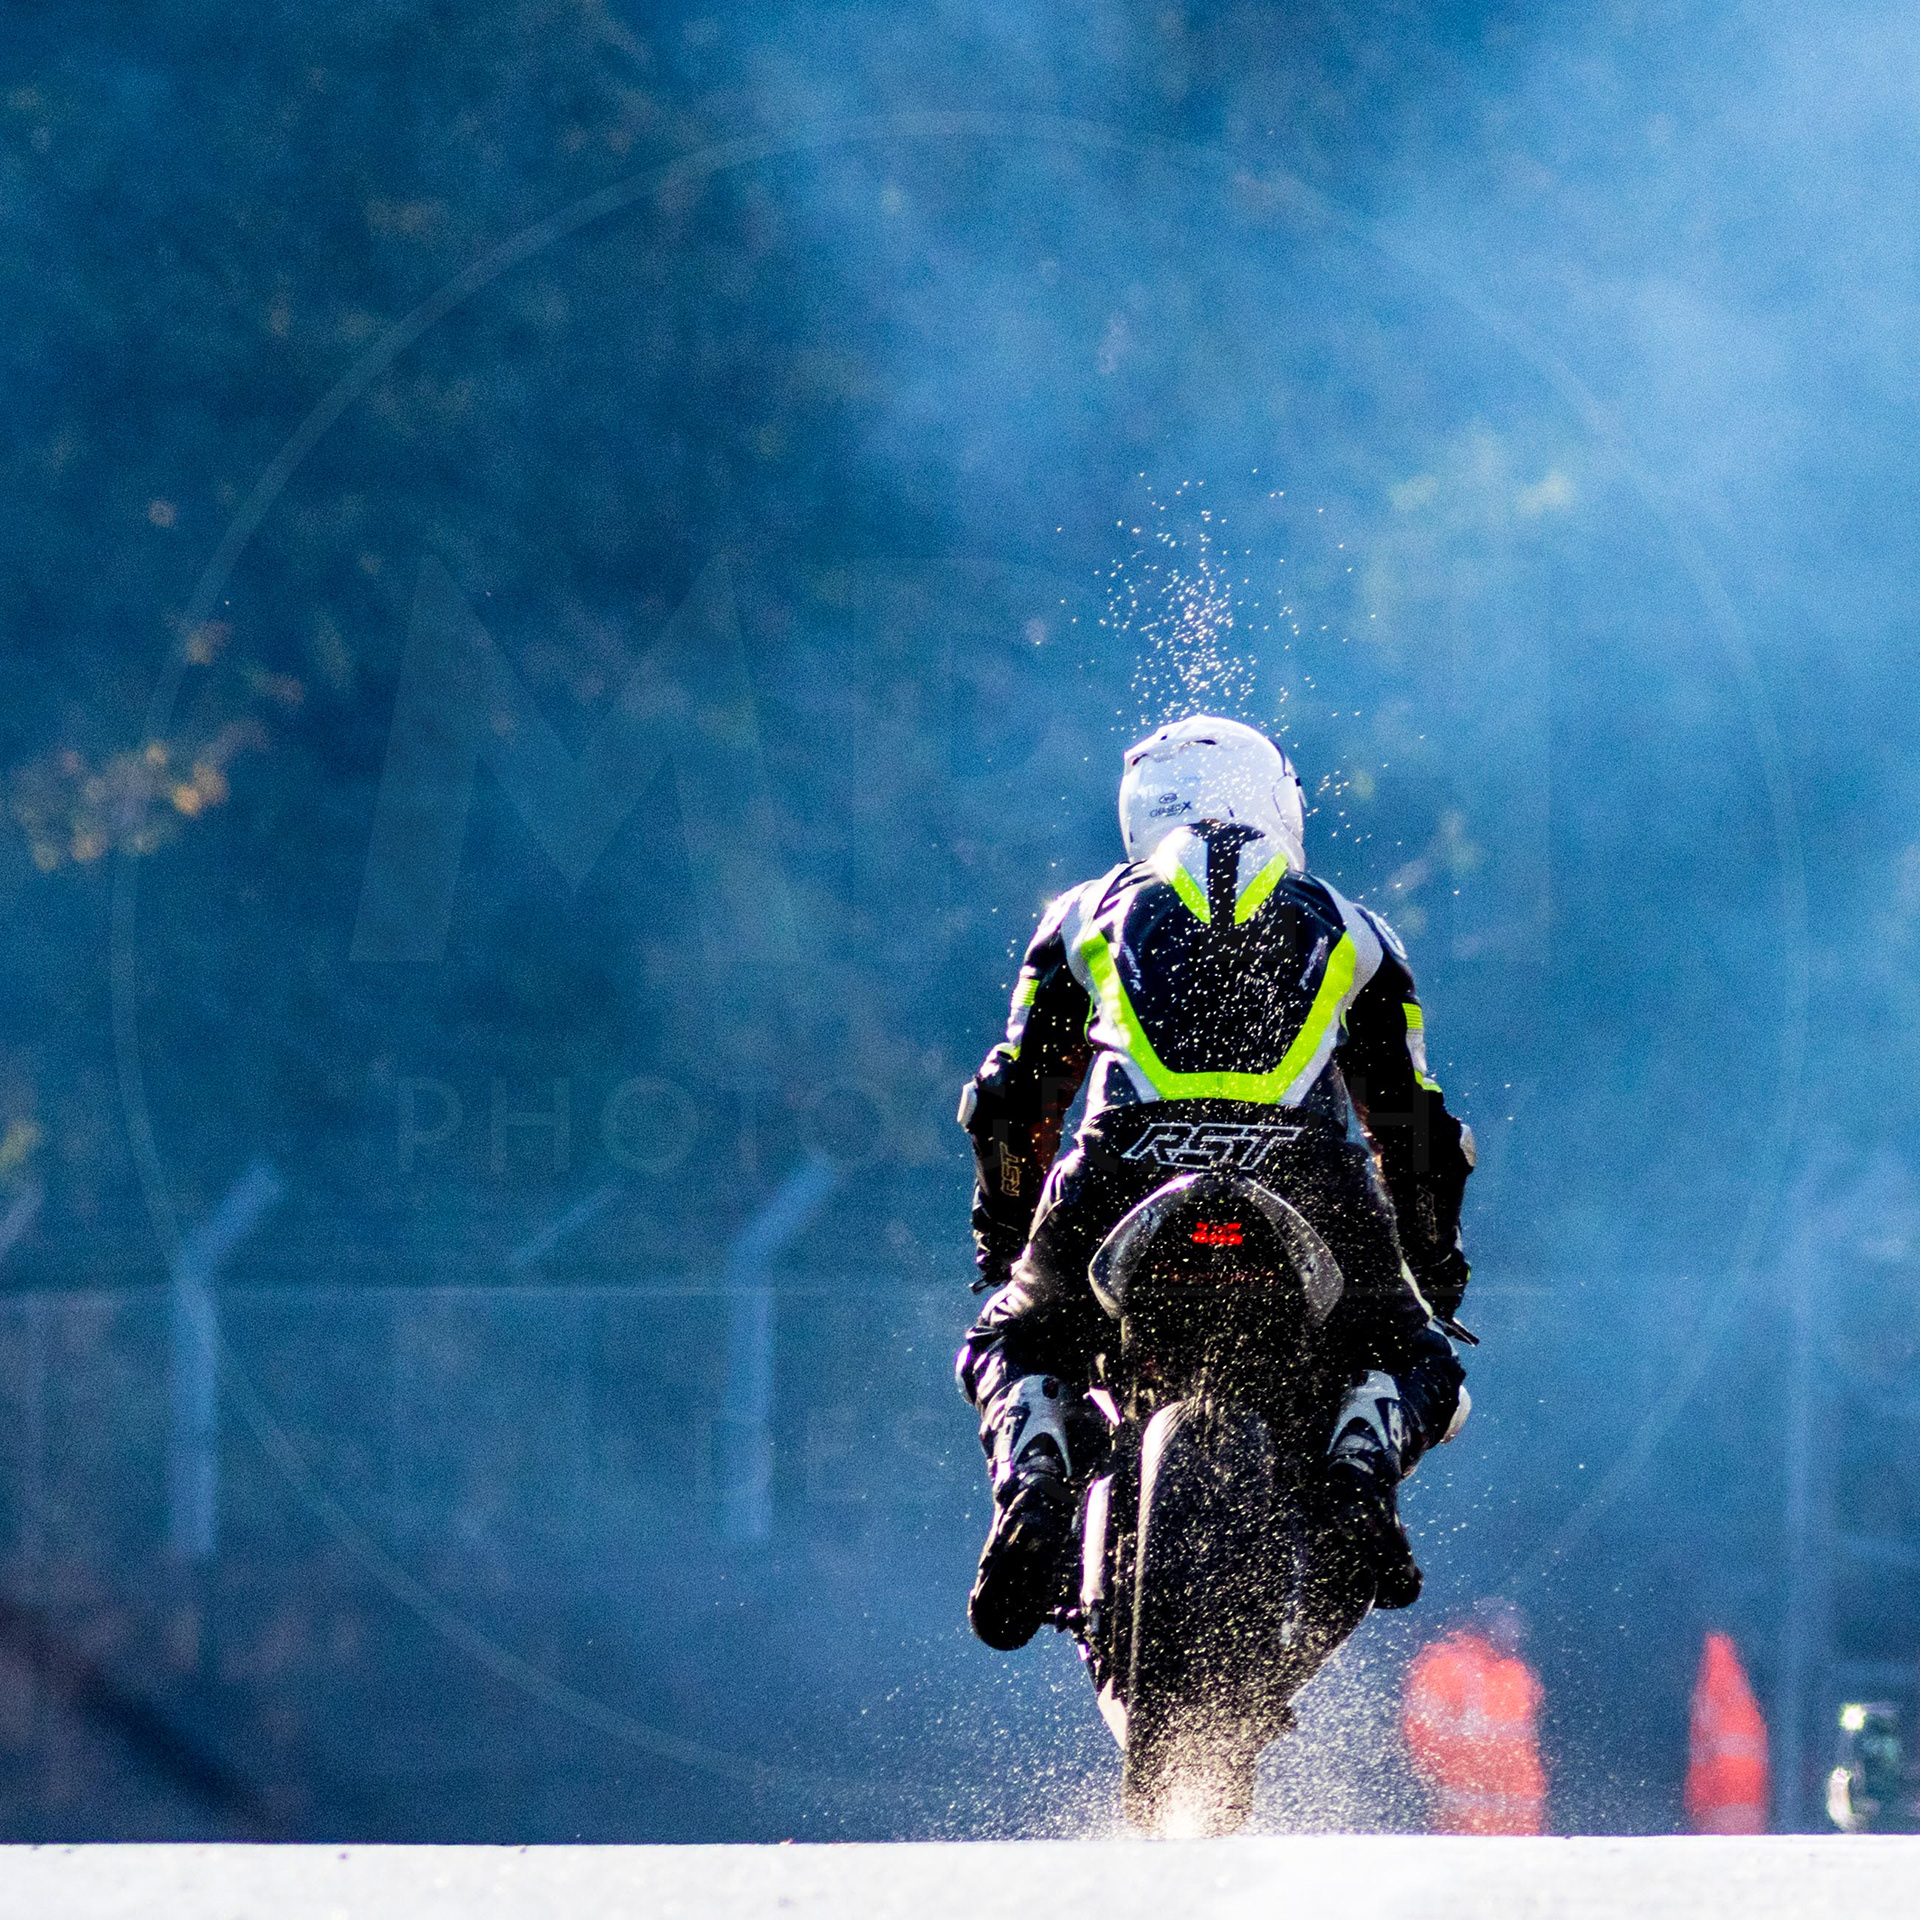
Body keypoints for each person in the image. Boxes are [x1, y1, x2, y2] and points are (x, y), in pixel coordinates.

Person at [955, 714, 1475, 1651]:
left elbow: (1011, 1098)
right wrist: (1434, 1271)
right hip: (1308, 1171)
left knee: (1014, 1340)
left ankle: (1034, 1475)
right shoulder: (1356, 925)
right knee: (1419, 1356)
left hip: (1123, 1160)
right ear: (1279, 803)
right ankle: (1360, 1466)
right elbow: (1416, 1124)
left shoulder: (1082, 912)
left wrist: (1005, 1242)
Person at [1403, 1599, 1547, 1834]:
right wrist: (1452, 1773)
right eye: (1504, 1625)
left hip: (1519, 1807)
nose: (1512, 1634)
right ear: (1482, 1626)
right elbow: (1419, 1735)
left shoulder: (1518, 1673)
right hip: (1466, 1802)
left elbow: (1527, 1740)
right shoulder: (1446, 1668)